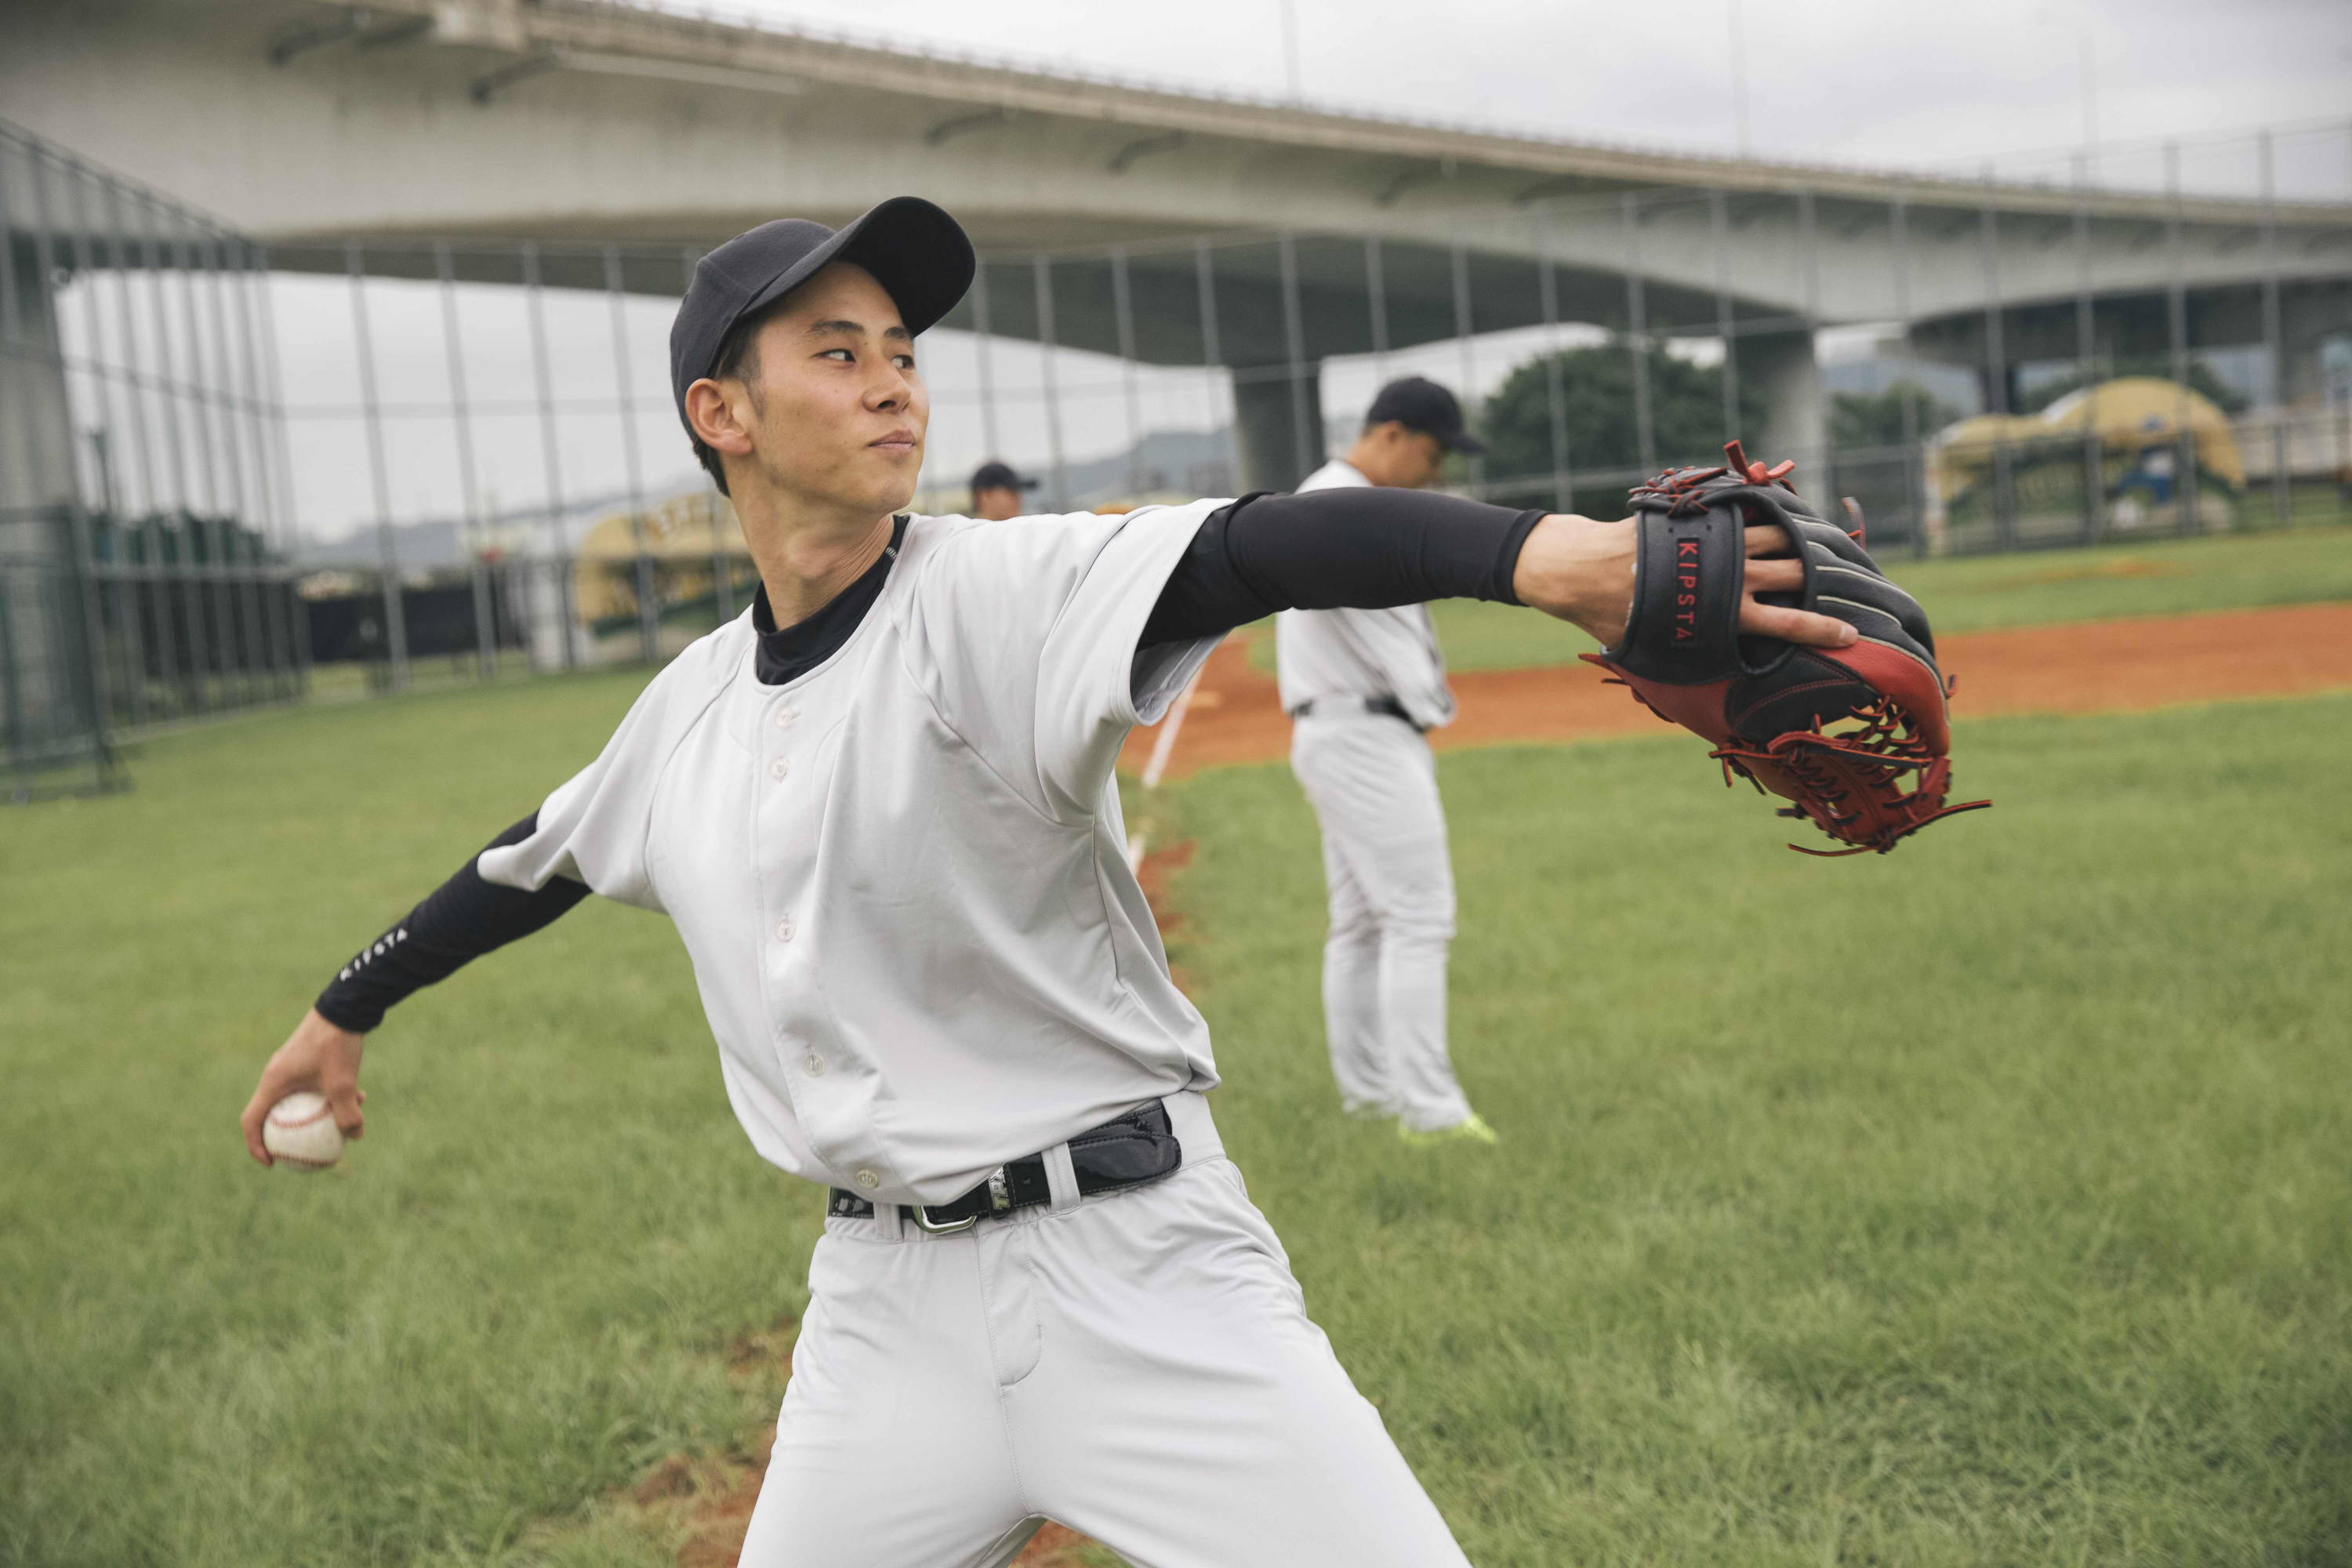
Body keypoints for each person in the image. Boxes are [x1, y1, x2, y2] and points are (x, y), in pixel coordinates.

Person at [239, 198, 1853, 1567]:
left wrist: (1546, 554)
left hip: (1139, 1268)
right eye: (838, 352)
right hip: (881, 1312)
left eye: (904, 353)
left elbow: (1253, 548)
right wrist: (342, 1007)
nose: (894, 388)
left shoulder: (996, 591)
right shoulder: (689, 713)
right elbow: (527, 863)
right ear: (721, 416)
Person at [1276, 376, 1491, 1145]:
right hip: (1359, 730)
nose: (1436, 473)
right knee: (1416, 916)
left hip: (1346, 727)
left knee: (1364, 923)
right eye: (1431, 454)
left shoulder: (1341, 496)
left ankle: (1370, 1099)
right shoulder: (1341, 499)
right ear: (1392, 434)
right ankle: (1427, 1111)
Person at [969, 458, 1036, 521]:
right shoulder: (967, 532)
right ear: (985, 496)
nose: (1019, 498)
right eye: (1011, 492)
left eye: (1018, 492)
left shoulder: (1021, 531)